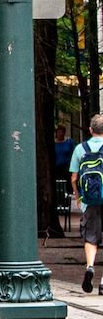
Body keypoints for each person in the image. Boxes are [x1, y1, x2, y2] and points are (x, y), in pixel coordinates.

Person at [71, 114, 103, 293]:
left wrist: (79, 198)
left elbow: (74, 178)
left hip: (90, 201)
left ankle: (90, 266)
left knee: (91, 237)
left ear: (91, 130)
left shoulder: (80, 149)